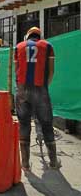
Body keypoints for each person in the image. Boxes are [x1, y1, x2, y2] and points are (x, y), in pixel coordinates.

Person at [14, 26, 61, 171]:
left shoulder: (18, 47)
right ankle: (53, 162)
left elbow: (17, 70)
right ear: (39, 36)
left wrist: (21, 87)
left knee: (24, 124)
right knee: (46, 124)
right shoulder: (48, 46)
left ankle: (26, 164)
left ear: (27, 36)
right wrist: (44, 86)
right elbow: (51, 71)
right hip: (40, 89)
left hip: (22, 90)